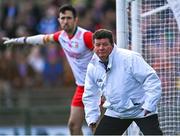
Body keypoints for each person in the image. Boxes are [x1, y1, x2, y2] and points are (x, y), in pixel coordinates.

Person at [3, 4, 94, 135]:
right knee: (73, 126)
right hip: (81, 87)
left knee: (96, 126)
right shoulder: (61, 36)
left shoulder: (86, 36)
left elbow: (104, 55)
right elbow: (41, 39)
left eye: (69, 18)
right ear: (58, 20)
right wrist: (17, 40)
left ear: (76, 20)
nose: (65, 21)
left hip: (97, 86)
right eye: (62, 18)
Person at [82, 29, 163, 135]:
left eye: (105, 44)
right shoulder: (92, 66)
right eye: (98, 45)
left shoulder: (130, 58)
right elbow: (90, 94)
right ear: (93, 46)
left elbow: (152, 80)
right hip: (116, 111)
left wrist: (149, 105)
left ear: (112, 44)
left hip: (142, 109)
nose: (101, 48)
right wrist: (92, 117)